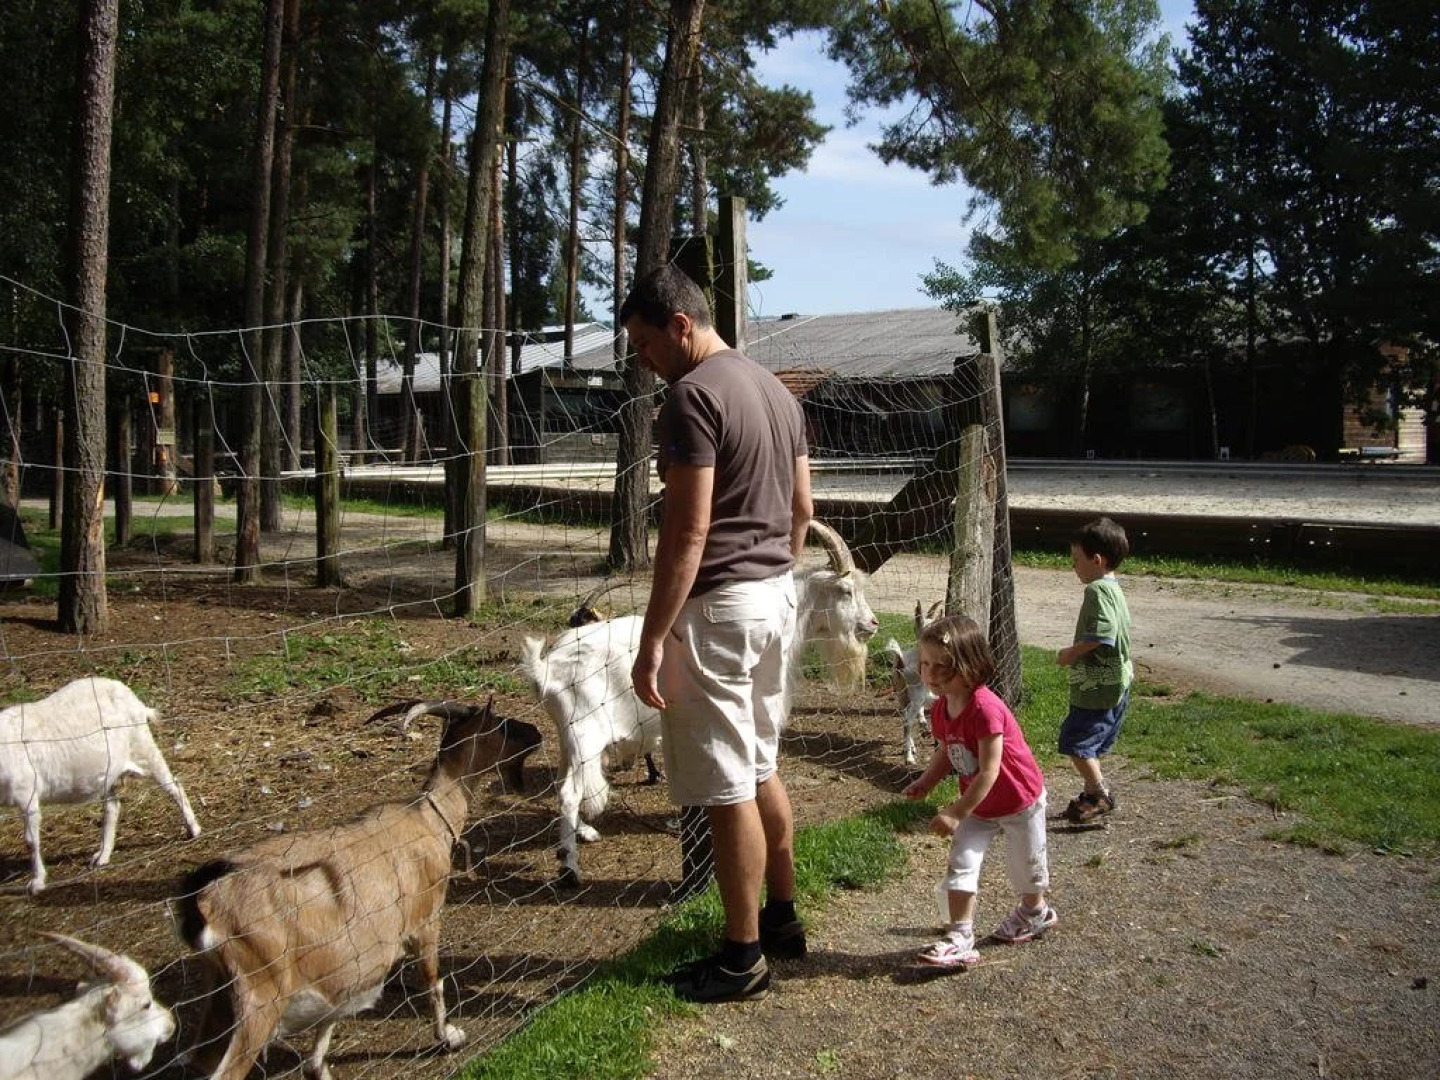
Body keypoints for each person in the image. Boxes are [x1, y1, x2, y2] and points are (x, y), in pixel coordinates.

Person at [623, 265, 812, 1004]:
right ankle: (783, 919)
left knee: (730, 785)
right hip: (774, 597)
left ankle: (743, 958)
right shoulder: (775, 391)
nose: (642, 359)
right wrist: (774, 576)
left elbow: (689, 529)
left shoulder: (692, 396)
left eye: (643, 342)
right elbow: (801, 509)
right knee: (761, 763)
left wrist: (651, 637)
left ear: (680, 324)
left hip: (721, 609)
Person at [903, 615, 1055, 967]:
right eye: (925, 664)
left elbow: (989, 771)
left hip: (1019, 800)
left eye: (942, 666)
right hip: (980, 808)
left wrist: (955, 811)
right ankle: (960, 935)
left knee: (1026, 867)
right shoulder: (941, 708)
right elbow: (945, 751)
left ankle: (1035, 912)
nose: (929, 674)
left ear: (970, 666)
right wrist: (926, 781)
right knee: (961, 862)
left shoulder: (986, 709)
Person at [1055, 516, 1133, 824]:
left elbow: (1103, 635)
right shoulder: (1114, 588)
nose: (1073, 566)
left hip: (1099, 684)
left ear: (1096, 560)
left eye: (1076, 560)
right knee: (1088, 740)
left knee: (1076, 743)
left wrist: (1069, 654)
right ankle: (1090, 795)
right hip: (1119, 679)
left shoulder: (1097, 591)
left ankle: (1100, 793)